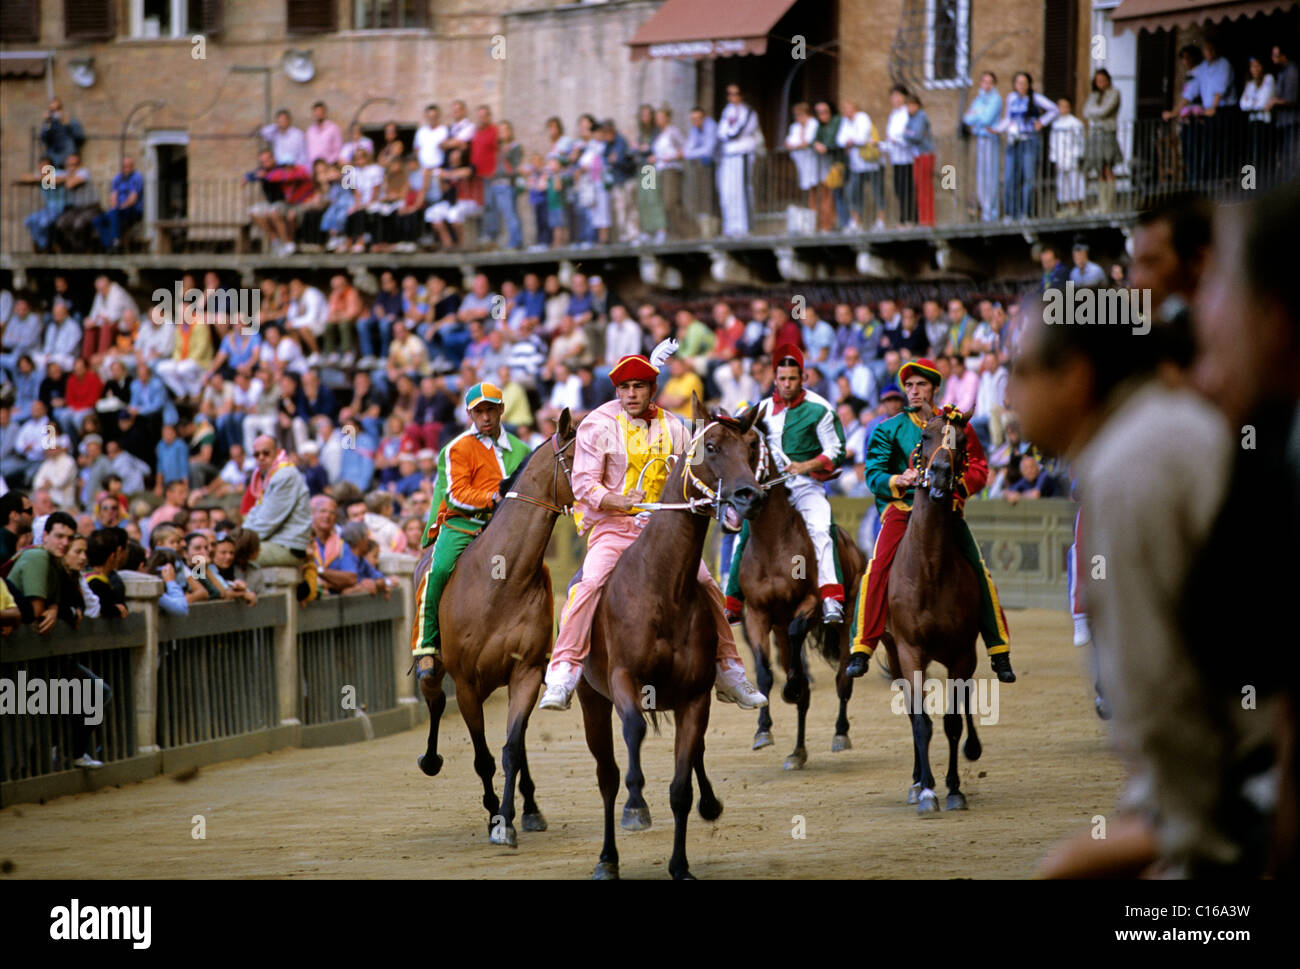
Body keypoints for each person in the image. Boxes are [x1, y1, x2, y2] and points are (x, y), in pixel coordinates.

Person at [538, 347, 766, 711]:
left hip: (663, 533)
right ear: (616, 390)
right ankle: (564, 670)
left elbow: (694, 475)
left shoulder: (675, 427)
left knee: (708, 584)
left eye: (639, 386)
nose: (631, 393)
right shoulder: (597, 425)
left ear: (652, 389)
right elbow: (582, 485)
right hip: (613, 529)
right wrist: (618, 500)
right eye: (625, 387)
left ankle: (729, 670)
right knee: (590, 582)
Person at [846, 358, 1015, 682]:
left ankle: (999, 649)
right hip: (903, 510)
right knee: (876, 567)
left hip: (947, 510)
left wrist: (960, 488)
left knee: (977, 567)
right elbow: (873, 473)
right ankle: (862, 646)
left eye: (921, 385)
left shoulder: (953, 425)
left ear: (934, 389)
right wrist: (898, 478)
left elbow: (979, 466)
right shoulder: (889, 428)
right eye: (909, 386)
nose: (914, 391)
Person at [724, 343, 847, 624]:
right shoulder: (762, 409)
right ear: (774, 378)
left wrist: (806, 465)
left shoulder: (821, 409)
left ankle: (831, 599)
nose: (787, 384)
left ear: (803, 378)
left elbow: (837, 451)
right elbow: (737, 432)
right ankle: (732, 602)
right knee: (743, 534)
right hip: (767, 490)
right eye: (782, 379)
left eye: (793, 379)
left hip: (806, 486)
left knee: (820, 529)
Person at [410, 383, 529, 673]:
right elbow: (455, 495)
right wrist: (493, 498)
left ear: (502, 410)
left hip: (506, 532)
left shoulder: (523, 450)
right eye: (479, 412)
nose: (485, 417)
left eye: (490, 410)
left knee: (540, 573)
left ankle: (546, 652)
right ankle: (426, 646)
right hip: (462, 525)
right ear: (469, 414)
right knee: (436, 570)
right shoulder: (456, 448)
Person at [241, 434, 315, 601]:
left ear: (278, 452)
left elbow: (266, 523)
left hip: (287, 546)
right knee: (221, 553)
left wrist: (238, 543)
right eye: (256, 454)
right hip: (276, 543)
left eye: (266, 453)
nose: (261, 458)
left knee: (231, 556)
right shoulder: (270, 475)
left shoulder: (285, 475)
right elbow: (255, 514)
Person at [994, 72, 1058, 220]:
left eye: (1024, 83)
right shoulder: (1011, 98)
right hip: (1014, 141)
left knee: (1028, 177)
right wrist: (997, 129)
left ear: (1029, 85)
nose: (1021, 86)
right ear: (1015, 85)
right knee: (1010, 177)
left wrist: (1041, 122)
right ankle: (1010, 213)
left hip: (1029, 140)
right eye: (1018, 83)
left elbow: (1053, 109)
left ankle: (1026, 213)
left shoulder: (1035, 98)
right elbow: (1008, 119)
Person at [716, 85, 760, 237]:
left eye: (735, 94)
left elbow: (738, 131)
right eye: (729, 94)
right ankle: (730, 225)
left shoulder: (747, 111)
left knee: (742, 190)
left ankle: (744, 226)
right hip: (728, 155)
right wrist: (728, 134)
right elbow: (721, 131)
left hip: (742, 154)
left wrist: (728, 134)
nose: (732, 97)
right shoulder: (726, 111)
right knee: (728, 191)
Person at [963, 72, 1003, 221]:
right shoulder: (979, 99)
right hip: (980, 138)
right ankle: (985, 210)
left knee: (990, 175)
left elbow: (986, 119)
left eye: (990, 82)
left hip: (990, 139)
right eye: (984, 81)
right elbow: (967, 118)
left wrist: (976, 116)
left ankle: (991, 212)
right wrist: (977, 116)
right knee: (981, 176)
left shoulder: (996, 99)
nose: (987, 85)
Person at [1083, 69, 1121, 213]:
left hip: (1108, 133)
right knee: (1099, 169)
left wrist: (1095, 113)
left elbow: (1105, 111)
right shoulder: (1095, 95)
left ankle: (1108, 206)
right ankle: (1101, 204)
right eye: (1098, 81)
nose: (1100, 83)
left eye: (1103, 80)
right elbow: (1085, 112)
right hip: (1097, 135)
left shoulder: (1114, 93)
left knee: (1107, 168)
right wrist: (1096, 112)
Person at [93, 157, 143, 251]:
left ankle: (115, 241)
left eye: (129, 167)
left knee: (114, 213)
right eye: (124, 167)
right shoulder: (117, 178)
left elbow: (133, 198)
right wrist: (115, 207)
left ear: (133, 167)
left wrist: (119, 208)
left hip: (132, 210)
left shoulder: (137, 177)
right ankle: (109, 245)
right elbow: (113, 196)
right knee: (97, 220)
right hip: (118, 210)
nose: (126, 169)